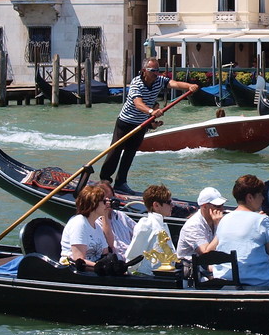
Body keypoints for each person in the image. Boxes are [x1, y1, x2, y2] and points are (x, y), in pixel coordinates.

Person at [98, 58, 198, 193]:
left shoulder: (159, 80)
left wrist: (189, 86)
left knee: (130, 154)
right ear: (144, 70)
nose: (156, 73)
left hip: (141, 124)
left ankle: (121, 182)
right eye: (153, 70)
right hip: (126, 122)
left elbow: (173, 83)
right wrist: (152, 112)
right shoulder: (136, 83)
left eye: (158, 70)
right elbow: (138, 103)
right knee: (115, 151)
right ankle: (105, 180)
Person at [59, 183, 124, 270]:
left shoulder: (96, 225)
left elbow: (105, 253)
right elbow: (79, 260)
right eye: (104, 202)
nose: (108, 204)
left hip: (94, 269)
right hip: (73, 269)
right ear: (94, 204)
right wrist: (104, 268)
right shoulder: (79, 223)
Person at [125, 184, 178, 274]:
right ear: (156, 205)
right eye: (169, 203)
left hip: (165, 273)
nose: (172, 206)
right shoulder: (146, 225)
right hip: (149, 276)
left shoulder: (163, 225)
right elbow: (133, 255)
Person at [175, 186, 228, 258]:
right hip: (190, 266)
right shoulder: (193, 225)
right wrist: (220, 228)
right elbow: (206, 253)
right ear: (205, 206)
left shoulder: (217, 220)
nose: (222, 209)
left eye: (222, 205)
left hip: (210, 264)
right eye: (217, 206)